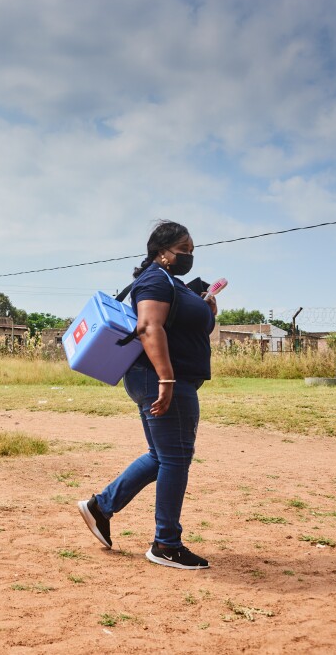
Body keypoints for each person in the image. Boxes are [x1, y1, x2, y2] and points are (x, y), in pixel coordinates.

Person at [78, 221, 217, 570]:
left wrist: (207, 309)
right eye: (184, 249)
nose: (190, 256)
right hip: (162, 379)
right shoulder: (155, 279)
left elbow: (175, 324)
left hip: (160, 378)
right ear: (162, 252)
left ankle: (101, 506)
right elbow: (148, 327)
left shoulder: (172, 282)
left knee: (162, 455)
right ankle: (166, 544)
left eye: (192, 250)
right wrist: (167, 380)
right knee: (176, 458)